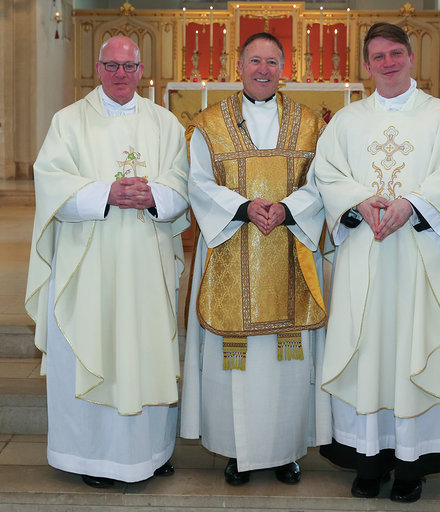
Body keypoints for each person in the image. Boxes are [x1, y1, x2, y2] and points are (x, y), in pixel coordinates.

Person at [315, 23, 440, 503]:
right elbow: (326, 173)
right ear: (366, 66)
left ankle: (413, 464)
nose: (387, 63)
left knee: (415, 344)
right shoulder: (347, 121)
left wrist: (412, 204)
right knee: (368, 350)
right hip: (365, 253)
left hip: (422, 258)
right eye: (377, 57)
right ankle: (368, 460)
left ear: (411, 58)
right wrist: (358, 201)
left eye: (395, 54)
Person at [25, 36, 189, 487]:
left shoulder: (165, 123)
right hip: (88, 263)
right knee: (95, 345)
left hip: (145, 262)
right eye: (112, 66)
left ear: (142, 70)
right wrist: (107, 193)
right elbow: (50, 182)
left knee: (144, 350)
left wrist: (156, 194)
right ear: (97, 69)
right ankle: (92, 459)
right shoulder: (69, 121)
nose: (121, 75)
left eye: (129, 67)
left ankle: (151, 453)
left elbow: (181, 182)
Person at [180, 32, 331, 486]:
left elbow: (325, 181)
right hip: (231, 247)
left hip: (289, 253)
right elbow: (197, 182)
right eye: (254, 61)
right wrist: (243, 208)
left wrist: (290, 209)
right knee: (237, 367)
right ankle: (234, 451)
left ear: (285, 67)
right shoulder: (208, 123)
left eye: (271, 61)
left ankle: (286, 452)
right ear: (238, 66)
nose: (262, 69)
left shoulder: (310, 124)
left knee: (287, 367)